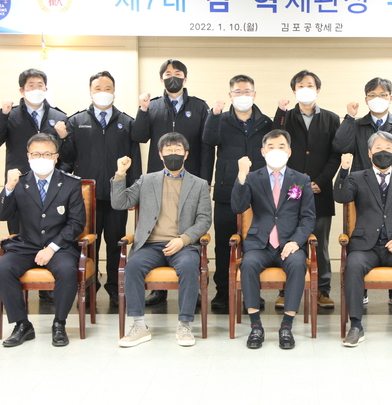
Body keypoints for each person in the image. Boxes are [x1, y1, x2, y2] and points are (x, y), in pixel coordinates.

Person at [113, 132, 212, 347]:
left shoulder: (199, 184)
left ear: (186, 154)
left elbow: (204, 219)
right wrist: (120, 173)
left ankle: (184, 324)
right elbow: (120, 203)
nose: (173, 154)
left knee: (189, 267)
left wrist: (184, 239)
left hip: (183, 245)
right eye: (168, 150)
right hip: (150, 245)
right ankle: (139, 325)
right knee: (133, 267)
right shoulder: (146, 181)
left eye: (178, 150)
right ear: (160, 154)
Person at [131, 59, 214, 306]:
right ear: (161, 79)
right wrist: (142, 110)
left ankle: (193, 292)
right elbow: (139, 136)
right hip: (158, 179)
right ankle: (159, 291)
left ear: (185, 79)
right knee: (158, 227)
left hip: (191, 179)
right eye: (168, 74)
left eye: (178, 73)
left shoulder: (199, 106)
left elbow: (207, 145)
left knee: (188, 230)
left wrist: (206, 179)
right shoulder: (153, 106)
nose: (173, 77)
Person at [55, 71, 142, 306]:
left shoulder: (127, 122)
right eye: (98, 88)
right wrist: (63, 138)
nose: (103, 92)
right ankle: (88, 289)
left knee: (116, 244)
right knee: (87, 245)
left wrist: (134, 192)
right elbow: (67, 159)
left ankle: (115, 290)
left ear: (114, 92)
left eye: (107, 88)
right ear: (90, 92)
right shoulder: (76, 121)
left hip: (117, 196)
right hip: (85, 199)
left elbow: (135, 158)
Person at [334, 131, 392, 348]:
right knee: (353, 266)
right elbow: (341, 196)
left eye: (387, 148)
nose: (383, 152)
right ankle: (355, 325)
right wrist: (344, 169)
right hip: (365, 246)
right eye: (378, 148)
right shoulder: (357, 178)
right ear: (369, 153)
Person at [0, 133, 86, 347]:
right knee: (3, 269)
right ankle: (22, 324)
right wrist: (8, 188)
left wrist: (52, 248)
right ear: (28, 156)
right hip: (26, 245)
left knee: (66, 270)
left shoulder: (70, 183)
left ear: (56, 157)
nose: (41, 158)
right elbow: (1, 215)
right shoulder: (19, 182)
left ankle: (59, 323)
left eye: (46, 154)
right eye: (36, 154)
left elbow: (76, 223)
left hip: (59, 246)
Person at [333, 77, 392, 307]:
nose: (377, 98)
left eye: (382, 94)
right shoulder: (357, 125)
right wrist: (349, 118)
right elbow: (340, 146)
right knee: (364, 237)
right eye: (372, 95)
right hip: (361, 190)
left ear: (390, 98)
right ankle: (360, 291)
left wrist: (388, 176)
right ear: (366, 98)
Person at [231, 130, 316, 350]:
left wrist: (296, 242)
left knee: (297, 265)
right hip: (259, 243)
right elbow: (238, 207)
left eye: (281, 146)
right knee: (248, 265)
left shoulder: (301, 180)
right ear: (263, 151)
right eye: (270, 146)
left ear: (289, 151)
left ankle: (286, 326)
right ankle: (256, 326)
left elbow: (308, 217)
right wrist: (241, 176)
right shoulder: (252, 178)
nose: (276, 150)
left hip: (289, 243)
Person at [202, 74, 272, 310]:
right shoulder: (220, 120)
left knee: (256, 244)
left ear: (255, 94)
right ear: (230, 95)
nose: (243, 95)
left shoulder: (266, 122)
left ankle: (253, 293)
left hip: (259, 194)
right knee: (224, 244)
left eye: (247, 91)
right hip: (227, 191)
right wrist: (214, 115)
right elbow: (208, 140)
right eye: (238, 92)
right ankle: (223, 292)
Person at [272, 70, 340, 309]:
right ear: (294, 91)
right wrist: (280, 113)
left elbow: (335, 155)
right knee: (287, 239)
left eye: (310, 85)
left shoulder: (332, 119)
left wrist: (321, 181)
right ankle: (284, 290)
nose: (305, 89)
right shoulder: (285, 117)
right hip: (290, 190)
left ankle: (322, 289)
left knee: (319, 243)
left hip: (320, 191)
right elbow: (276, 149)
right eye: (300, 85)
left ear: (318, 90)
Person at [0, 68, 69, 235]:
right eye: (31, 85)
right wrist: (3, 114)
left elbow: (68, 155)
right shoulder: (10, 114)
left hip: (52, 185)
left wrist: (62, 172)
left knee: (52, 233)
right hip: (20, 183)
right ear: (22, 90)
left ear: (46, 89)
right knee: (19, 234)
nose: (36, 89)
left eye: (40, 85)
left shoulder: (59, 117)